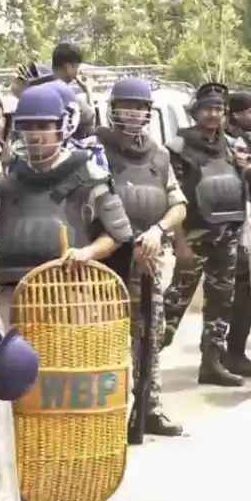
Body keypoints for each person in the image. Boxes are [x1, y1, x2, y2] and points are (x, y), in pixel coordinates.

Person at [0, 84, 132, 320]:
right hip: (11, 295)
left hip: (68, 293)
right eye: (27, 127)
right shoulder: (8, 177)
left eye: (43, 126)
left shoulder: (89, 174)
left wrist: (87, 253)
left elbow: (118, 234)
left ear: (61, 127)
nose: (35, 135)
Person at [96, 77, 186, 436]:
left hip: (148, 259)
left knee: (150, 333)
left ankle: (149, 407)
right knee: (104, 336)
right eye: (126, 107)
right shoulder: (96, 150)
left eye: (139, 108)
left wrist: (158, 231)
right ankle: (104, 410)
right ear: (113, 109)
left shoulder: (159, 155)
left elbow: (178, 204)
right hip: (106, 258)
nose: (132, 114)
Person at [161, 82, 248, 386]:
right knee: (175, 301)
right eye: (207, 109)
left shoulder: (232, 145)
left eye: (218, 109)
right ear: (195, 112)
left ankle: (212, 363)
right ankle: (145, 359)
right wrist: (179, 243)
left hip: (226, 234)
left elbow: (239, 188)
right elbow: (171, 199)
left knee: (221, 301)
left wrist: (245, 170)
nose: (213, 114)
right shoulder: (177, 148)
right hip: (193, 235)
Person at [221, 90, 251, 377]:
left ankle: (228, 353)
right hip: (231, 225)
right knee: (241, 290)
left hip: (243, 221)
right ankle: (232, 353)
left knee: (243, 290)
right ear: (236, 114)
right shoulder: (231, 141)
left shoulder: (245, 138)